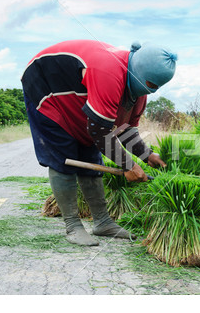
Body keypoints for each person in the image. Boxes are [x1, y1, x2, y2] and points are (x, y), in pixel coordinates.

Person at [21, 39, 177, 246]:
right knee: (63, 157)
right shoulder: (109, 71)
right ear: (137, 72)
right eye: (148, 85)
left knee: (90, 152)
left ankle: (102, 222)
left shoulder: (139, 94)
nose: (149, 91)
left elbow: (125, 129)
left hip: (77, 99)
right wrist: (129, 166)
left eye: (153, 88)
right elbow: (99, 131)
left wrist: (147, 155)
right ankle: (73, 225)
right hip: (46, 88)